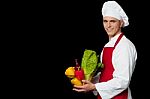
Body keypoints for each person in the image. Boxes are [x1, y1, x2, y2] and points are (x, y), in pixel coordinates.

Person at [72, 1, 137, 99]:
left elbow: (122, 81)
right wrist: (87, 81)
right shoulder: (108, 45)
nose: (108, 25)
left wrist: (94, 86)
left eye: (112, 21)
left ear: (121, 23)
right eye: (105, 21)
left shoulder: (124, 46)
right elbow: (104, 74)